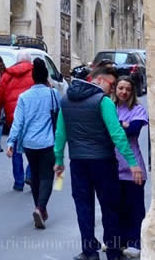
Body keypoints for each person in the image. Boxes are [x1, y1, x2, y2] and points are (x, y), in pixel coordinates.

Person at [54, 65, 144, 260]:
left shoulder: (66, 101)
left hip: (77, 162)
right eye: (111, 84)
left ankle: (89, 251)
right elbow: (117, 134)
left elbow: (61, 133)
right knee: (109, 207)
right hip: (103, 162)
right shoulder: (103, 102)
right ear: (99, 80)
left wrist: (59, 159)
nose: (113, 89)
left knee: (83, 207)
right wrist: (132, 162)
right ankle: (112, 252)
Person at [5, 58, 60, 229]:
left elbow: (18, 122)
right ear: (46, 77)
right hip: (48, 142)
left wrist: (11, 142)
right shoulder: (53, 94)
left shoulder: (24, 97)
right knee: (47, 177)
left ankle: (39, 209)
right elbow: (59, 117)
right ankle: (40, 207)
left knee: (35, 176)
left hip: (29, 143)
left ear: (33, 78)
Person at [113, 76, 148, 257]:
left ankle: (135, 242)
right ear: (115, 89)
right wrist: (122, 125)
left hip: (134, 167)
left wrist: (117, 126)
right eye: (120, 88)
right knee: (117, 206)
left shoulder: (138, 109)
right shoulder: (110, 108)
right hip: (114, 166)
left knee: (135, 207)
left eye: (127, 89)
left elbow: (133, 130)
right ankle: (120, 240)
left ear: (132, 91)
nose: (124, 92)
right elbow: (105, 129)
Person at [0, 51, 34, 190]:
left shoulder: (7, 75)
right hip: (32, 118)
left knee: (16, 150)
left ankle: (18, 182)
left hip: (13, 117)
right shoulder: (35, 72)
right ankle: (30, 173)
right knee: (33, 149)